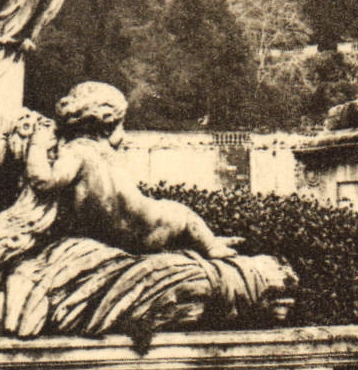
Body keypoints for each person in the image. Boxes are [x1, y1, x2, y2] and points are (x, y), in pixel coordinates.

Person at [22, 82, 237, 258]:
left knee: (179, 214)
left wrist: (37, 144)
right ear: (105, 125)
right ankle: (211, 245)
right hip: (147, 225)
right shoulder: (98, 153)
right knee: (182, 214)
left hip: (120, 234)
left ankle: (211, 245)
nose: (123, 135)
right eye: (120, 125)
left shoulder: (75, 152)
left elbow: (44, 180)